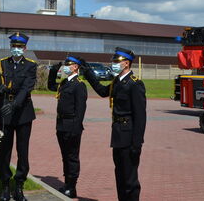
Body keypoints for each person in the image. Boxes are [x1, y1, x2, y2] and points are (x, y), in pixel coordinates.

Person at [82, 47, 146, 201]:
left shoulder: (135, 84)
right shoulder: (116, 82)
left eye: (116, 61)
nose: (113, 64)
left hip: (129, 136)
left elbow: (140, 116)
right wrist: (88, 73)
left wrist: (137, 144)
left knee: (130, 180)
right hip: (117, 134)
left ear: (126, 63)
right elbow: (102, 91)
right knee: (120, 176)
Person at [0, 32, 37, 201]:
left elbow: (26, 87)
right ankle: (5, 185)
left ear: (25, 48)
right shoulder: (1, 63)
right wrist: (3, 91)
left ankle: (19, 185)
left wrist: (14, 103)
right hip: (5, 110)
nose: (16, 49)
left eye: (20, 47)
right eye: (14, 46)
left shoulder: (30, 65)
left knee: (23, 150)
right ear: (10, 47)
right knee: (4, 150)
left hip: (22, 112)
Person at [47, 55, 87, 198]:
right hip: (61, 125)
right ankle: (66, 184)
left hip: (72, 126)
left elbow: (80, 110)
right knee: (65, 156)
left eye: (67, 65)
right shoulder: (65, 83)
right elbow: (51, 86)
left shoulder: (79, 85)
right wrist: (53, 71)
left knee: (72, 157)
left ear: (75, 67)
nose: (65, 67)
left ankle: (72, 186)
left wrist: (75, 129)